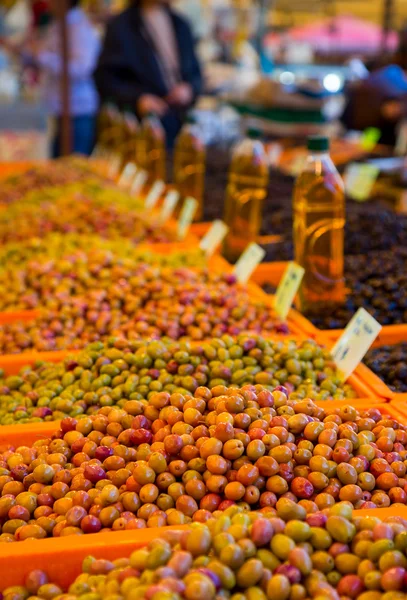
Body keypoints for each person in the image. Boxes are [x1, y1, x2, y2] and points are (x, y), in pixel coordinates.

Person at [94, 0, 202, 146]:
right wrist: (138, 99)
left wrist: (189, 89)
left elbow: (195, 73)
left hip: (178, 121)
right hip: (139, 129)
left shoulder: (180, 24)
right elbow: (106, 79)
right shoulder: (122, 26)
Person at [20, 0, 100, 156]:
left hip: (76, 110)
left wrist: (42, 56)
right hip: (59, 108)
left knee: (74, 167)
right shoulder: (59, 24)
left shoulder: (79, 28)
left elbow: (82, 68)